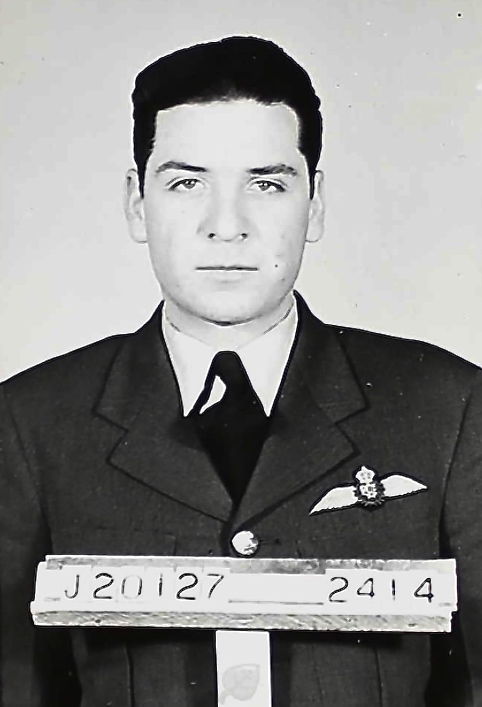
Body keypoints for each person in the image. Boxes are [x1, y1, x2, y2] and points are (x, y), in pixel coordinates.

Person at [0, 35, 481, 707]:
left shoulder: (452, 407)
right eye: (187, 182)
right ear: (137, 203)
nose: (227, 226)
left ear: (314, 204)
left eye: (266, 183)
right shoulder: (28, 423)